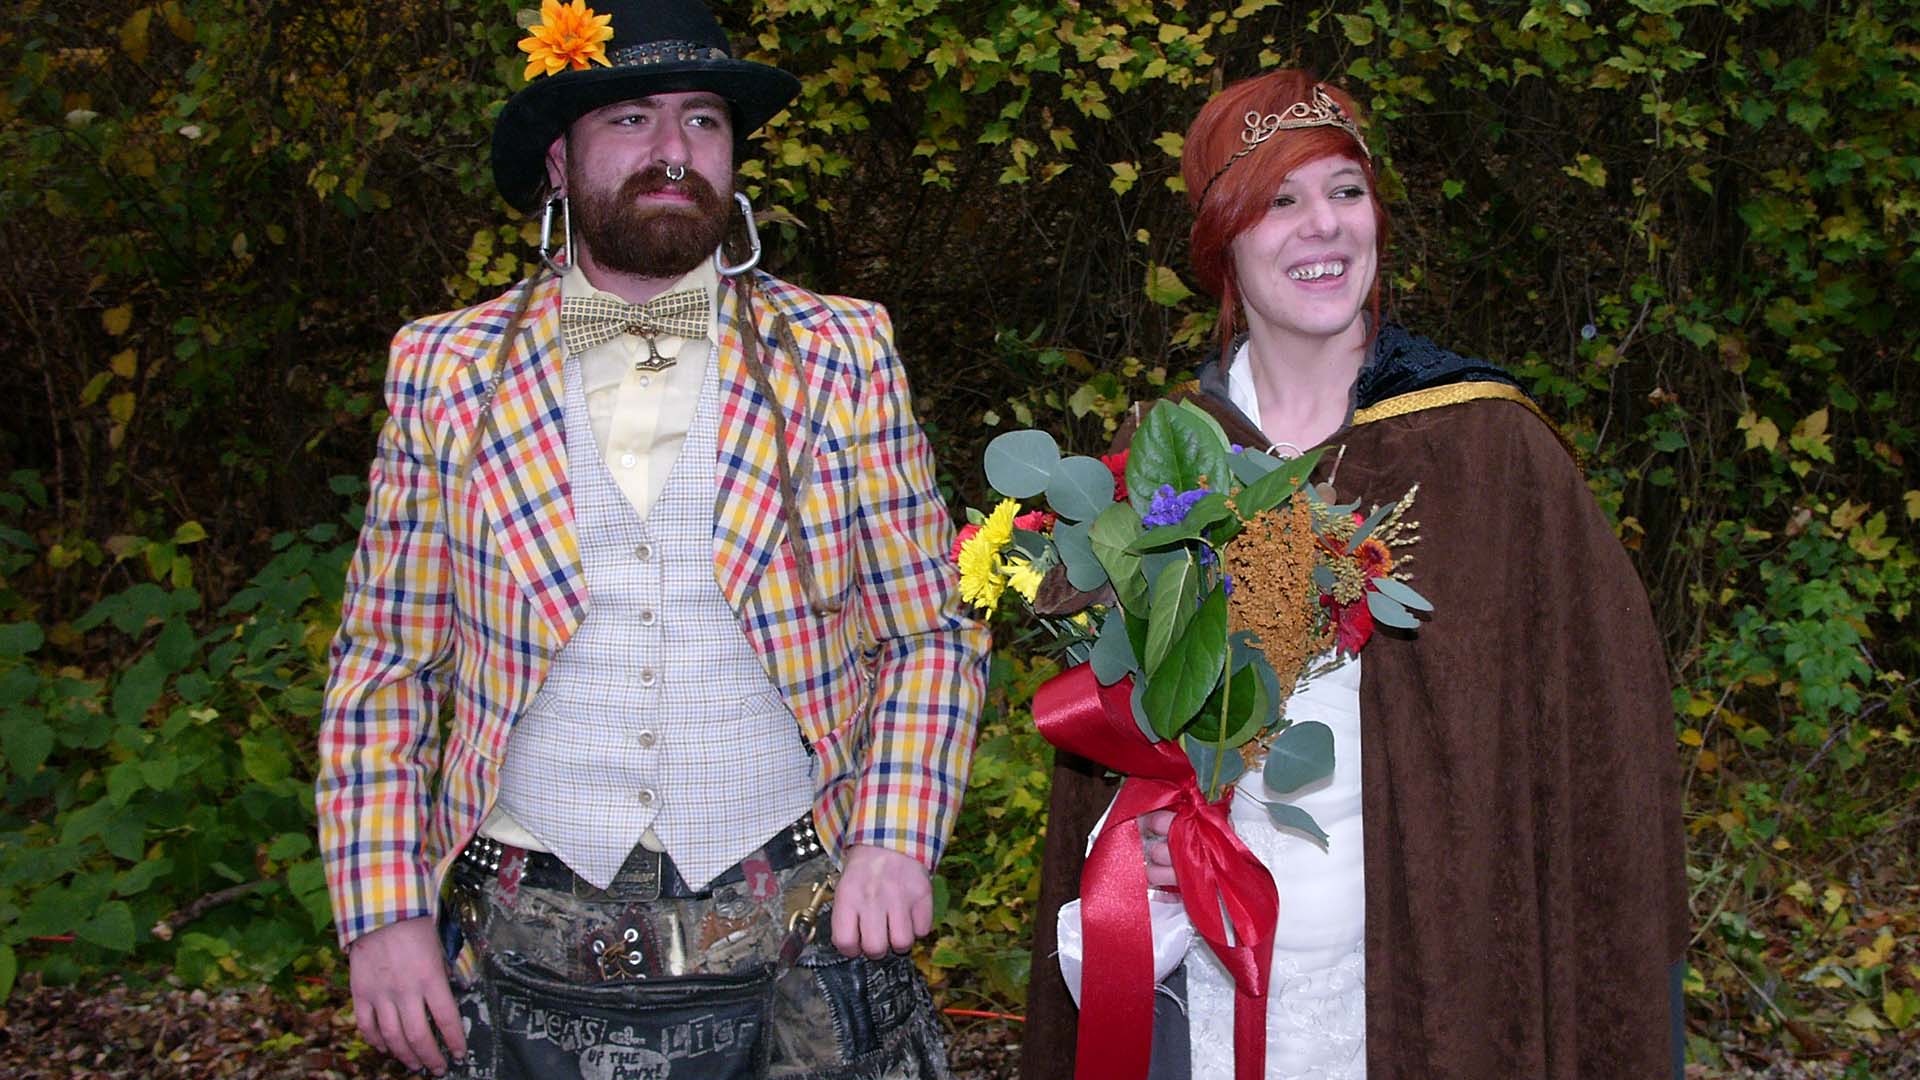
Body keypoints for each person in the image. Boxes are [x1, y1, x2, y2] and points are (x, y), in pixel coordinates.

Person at [313, 2, 989, 1077]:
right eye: (631, 117)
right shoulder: (446, 370)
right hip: (525, 934)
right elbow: (385, 667)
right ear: (557, 158)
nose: (675, 151)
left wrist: (899, 836)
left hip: (802, 925)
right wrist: (382, 911)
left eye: (705, 121)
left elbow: (928, 633)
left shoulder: (841, 350)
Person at [1020, 70, 1688, 1079]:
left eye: (1345, 191)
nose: (1322, 228)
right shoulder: (1158, 462)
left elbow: (1608, 740)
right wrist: (1148, 836)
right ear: (1224, 246)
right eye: (1279, 201)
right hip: (1215, 989)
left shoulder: (1486, 451)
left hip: (1443, 985)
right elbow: (1118, 742)